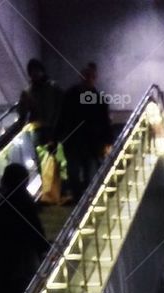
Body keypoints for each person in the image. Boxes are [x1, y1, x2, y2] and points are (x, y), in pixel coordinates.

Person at [0, 163, 49, 293]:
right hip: (24, 257)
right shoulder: (25, 200)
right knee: (27, 292)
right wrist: (45, 248)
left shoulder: (0, 200)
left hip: (5, 258)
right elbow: (34, 228)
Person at [58, 63, 112, 200]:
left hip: (80, 140)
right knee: (80, 171)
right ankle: (83, 198)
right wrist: (107, 140)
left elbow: (62, 117)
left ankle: (81, 198)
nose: (87, 79)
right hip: (86, 140)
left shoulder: (70, 95)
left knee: (80, 171)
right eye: (86, 76)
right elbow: (105, 122)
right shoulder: (98, 98)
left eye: (90, 77)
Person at [19, 58, 64, 155]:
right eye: (32, 72)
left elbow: (61, 107)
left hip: (54, 129)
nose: (34, 74)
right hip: (37, 130)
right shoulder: (28, 92)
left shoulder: (53, 87)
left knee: (55, 158)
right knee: (42, 157)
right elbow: (22, 112)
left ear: (42, 71)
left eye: (36, 71)